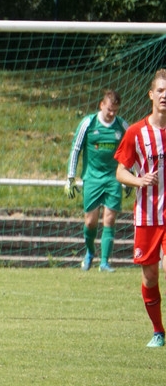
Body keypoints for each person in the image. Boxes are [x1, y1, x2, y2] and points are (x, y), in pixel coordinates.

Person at [114, 69, 166, 348]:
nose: (165, 95)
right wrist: (139, 180)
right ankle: (158, 330)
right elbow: (120, 172)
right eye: (160, 90)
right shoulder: (136, 132)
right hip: (147, 216)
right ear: (151, 95)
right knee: (150, 276)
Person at [66, 89, 128, 272]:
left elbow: (131, 151)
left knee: (109, 219)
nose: (112, 114)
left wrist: (130, 177)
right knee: (90, 222)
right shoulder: (88, 123)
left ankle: (105, 262)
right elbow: (76, 149)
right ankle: (90, 252)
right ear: (102, 105)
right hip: (92, 178)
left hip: (113, 178)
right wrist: (71, 177)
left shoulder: (122, 126)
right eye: (109, 109)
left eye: (115, 110)